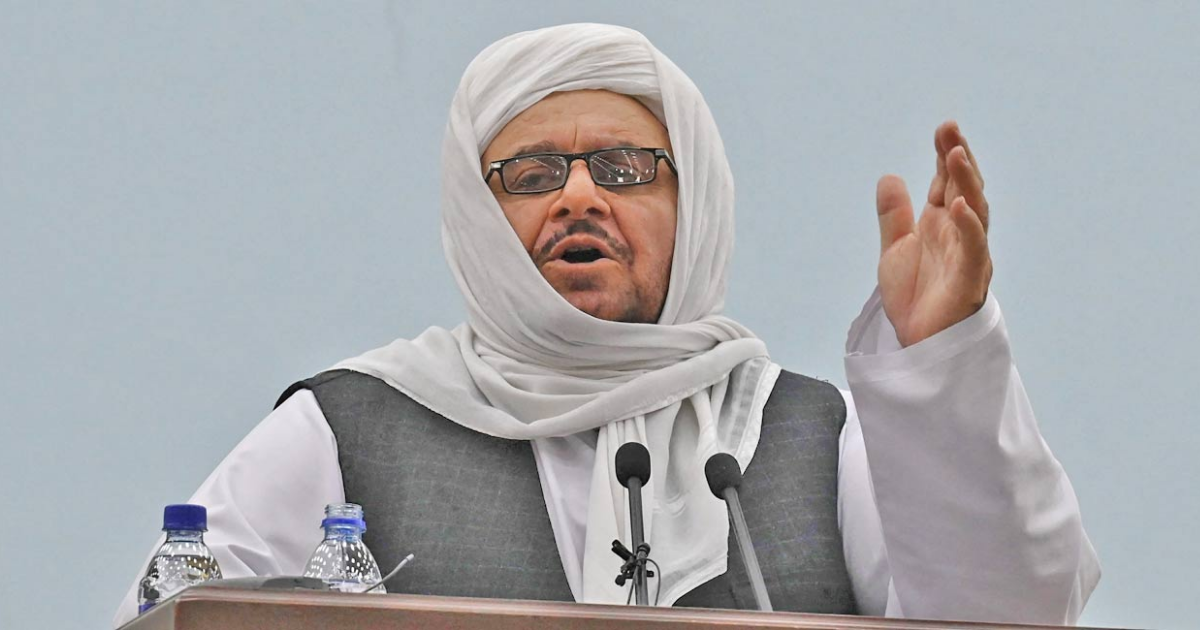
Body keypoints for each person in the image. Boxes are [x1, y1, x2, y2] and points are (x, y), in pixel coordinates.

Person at [114, 23, 1100, 627]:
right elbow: (169, 619)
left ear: (694, 203)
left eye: (626, 169)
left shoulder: (809, 435)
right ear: (477, 218)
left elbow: (1009, 617)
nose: (579, 197)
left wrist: (943, 363)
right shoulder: (351, 427)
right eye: (533, 173)